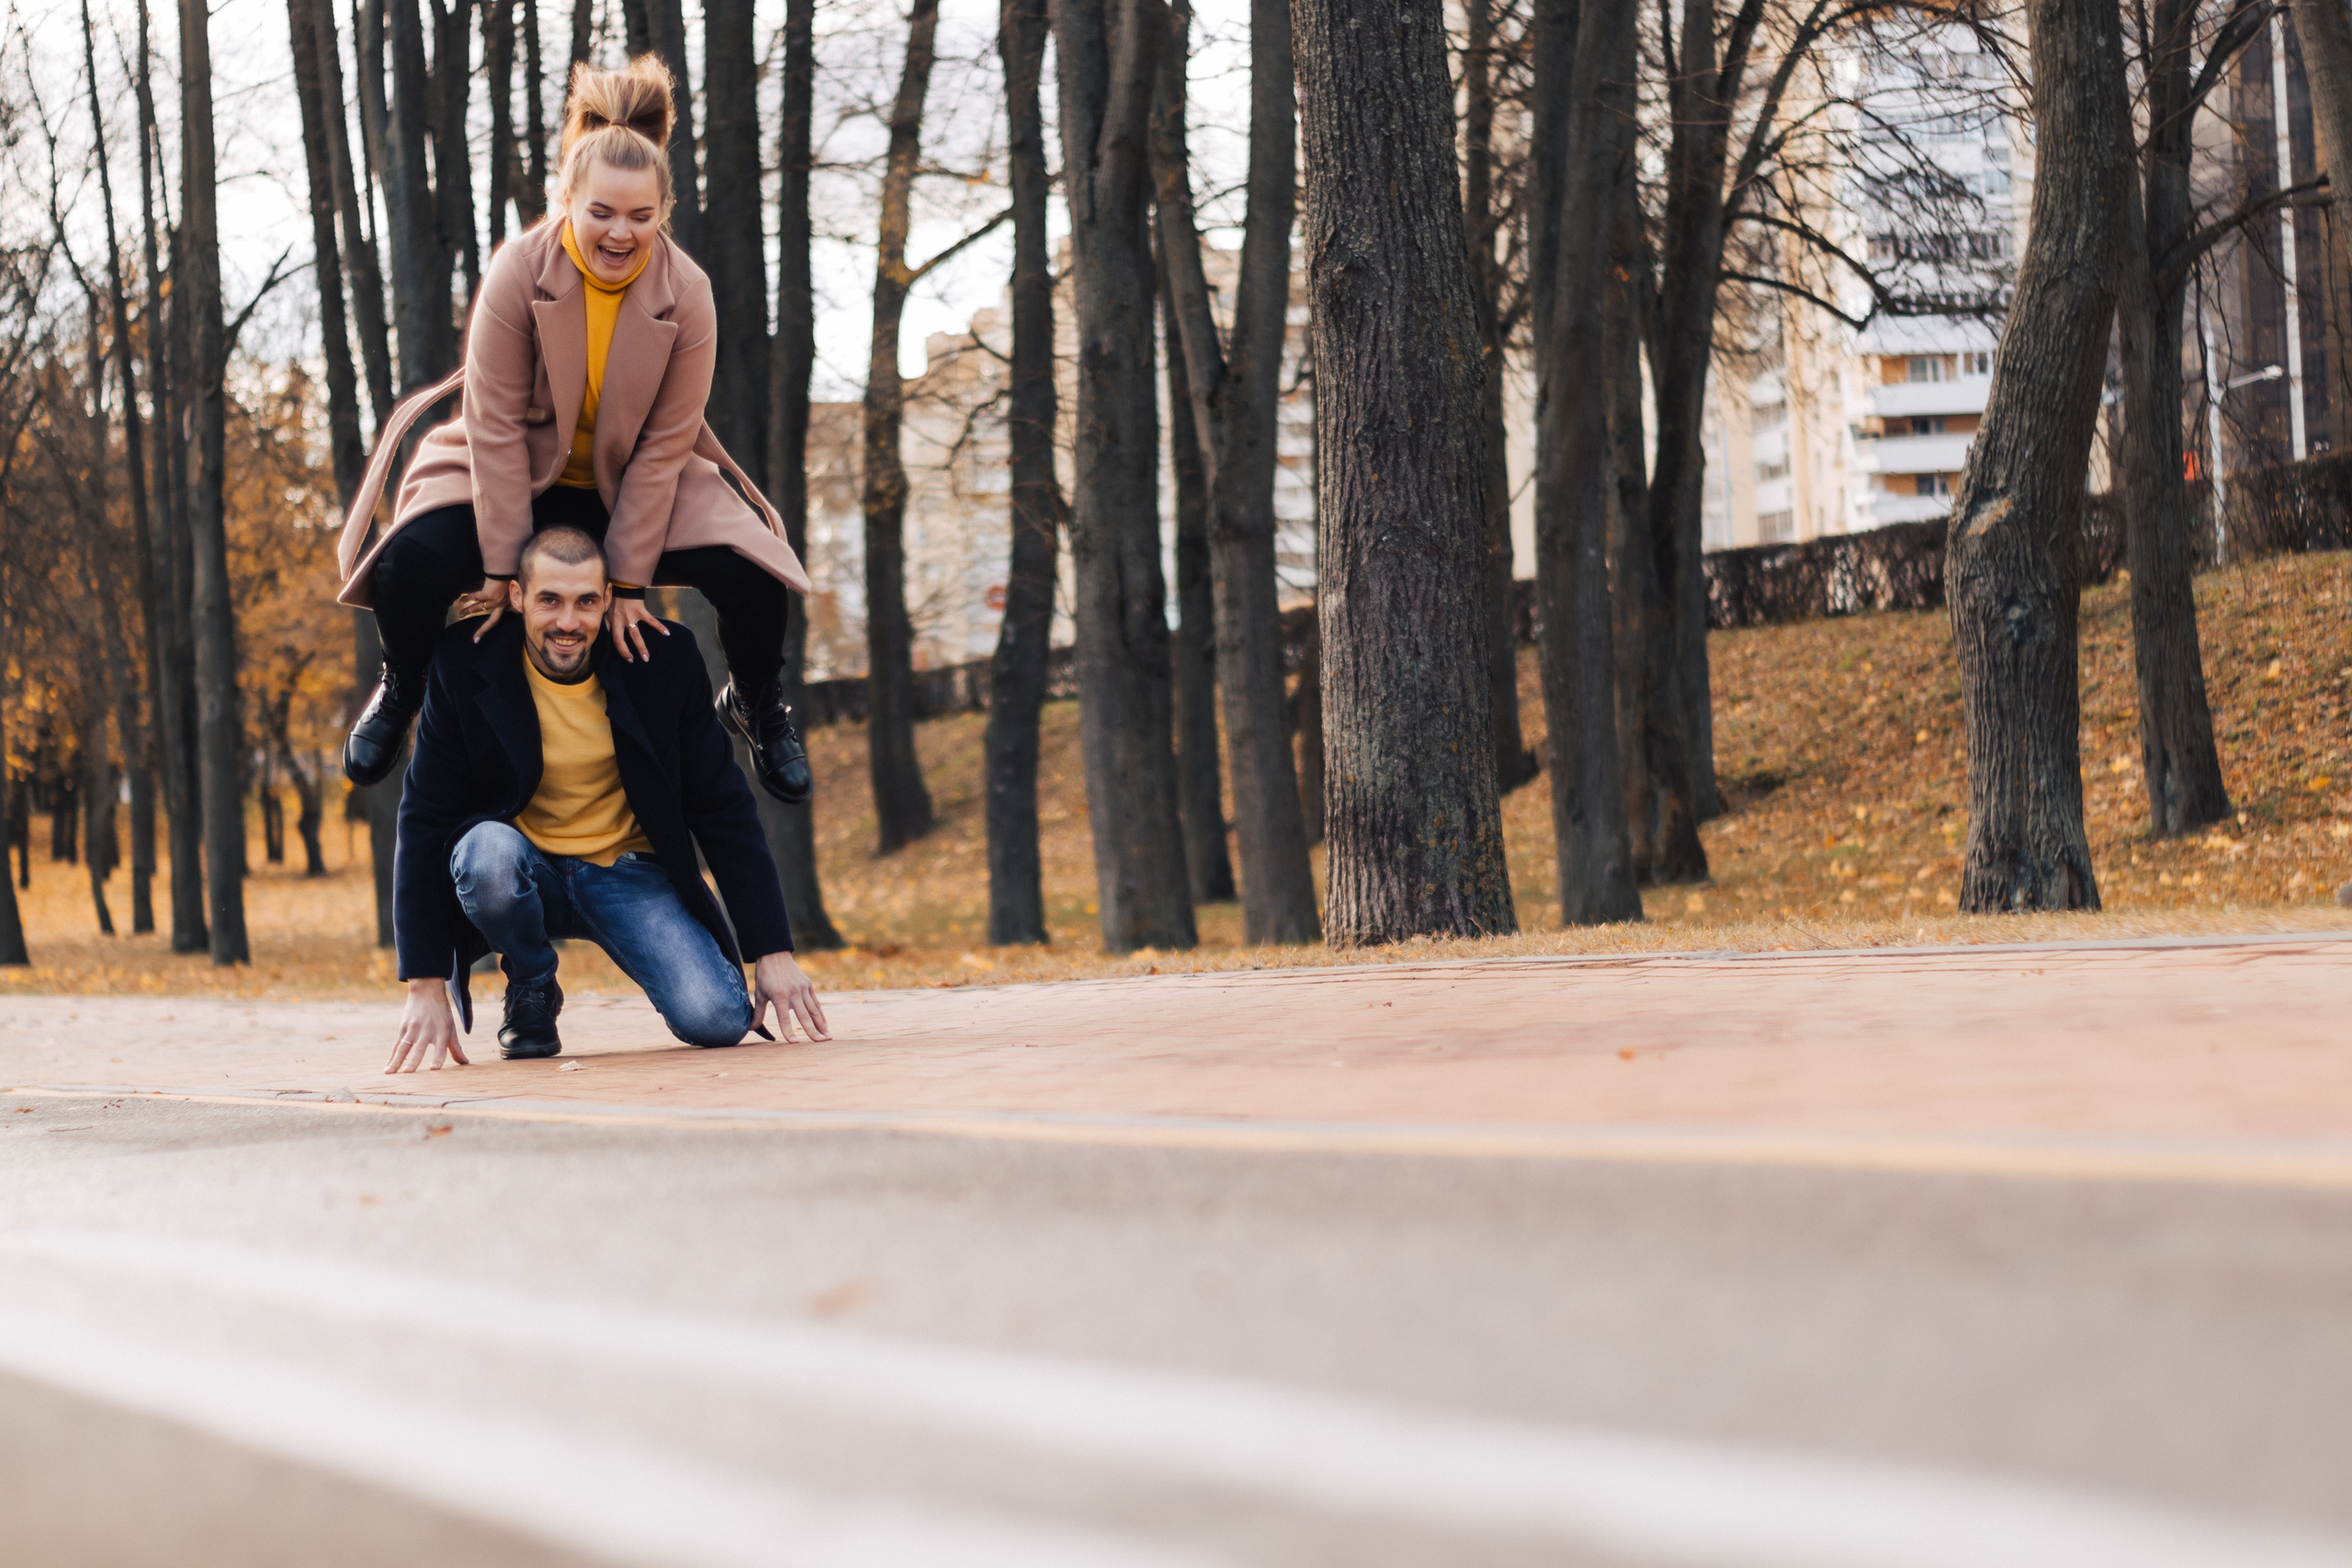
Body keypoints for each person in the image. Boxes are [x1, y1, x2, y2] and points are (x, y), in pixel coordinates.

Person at [335, 55, 812, 807]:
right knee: (406, 567)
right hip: (513, 477)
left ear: (663, 213)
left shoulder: (688, 294)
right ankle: (403, 686)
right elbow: (491, 428)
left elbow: (664, 445)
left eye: (640, 216)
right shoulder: (518, 273)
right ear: (567, 202)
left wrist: (626, 581)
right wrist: (500, 569)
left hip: (630, 484)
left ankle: (755, 700)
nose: (620, 233)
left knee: (755, 574)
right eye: (601, 213)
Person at [384, 525, 830, 1074]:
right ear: (518, 596)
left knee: (716, 1020)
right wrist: (424, 983)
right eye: (549, 600)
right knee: (486, 854)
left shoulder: (663, 660)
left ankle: (663, 974)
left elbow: (723, 807)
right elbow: (425, 818)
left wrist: (772, 951)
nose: (567, 622)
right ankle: (531, 981)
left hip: (629, 874)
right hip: (524, 869)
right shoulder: (463, 660)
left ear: (609, 600)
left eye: (585, 602)